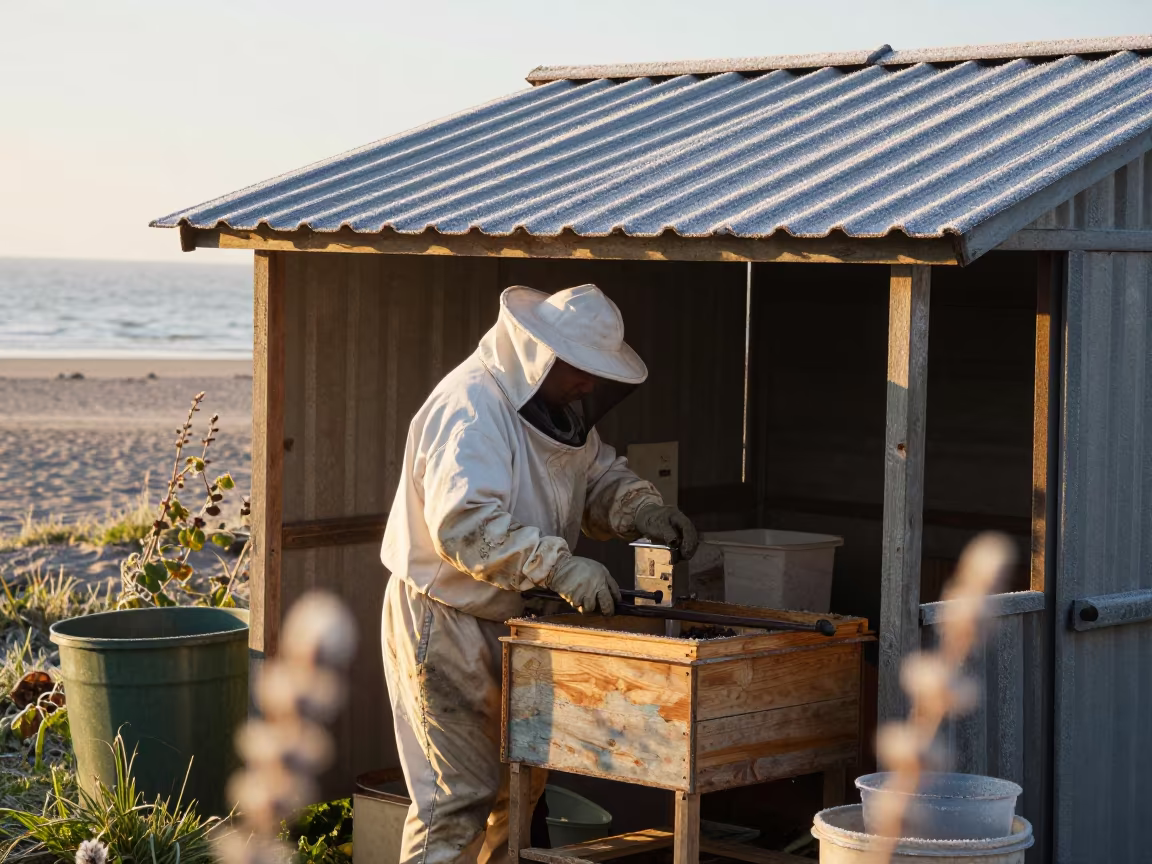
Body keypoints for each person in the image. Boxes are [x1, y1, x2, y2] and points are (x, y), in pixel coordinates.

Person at [380, 283, 699, 864]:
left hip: (516, 624)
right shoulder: (472, 406)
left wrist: (643, 509)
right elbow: (464, 526)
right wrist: (560, 566)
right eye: (581, 369)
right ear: (541, 355)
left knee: (516, 798)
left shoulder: (556, 410)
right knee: (456, 803)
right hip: (447, 620)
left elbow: (595, 476)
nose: (589, 384)